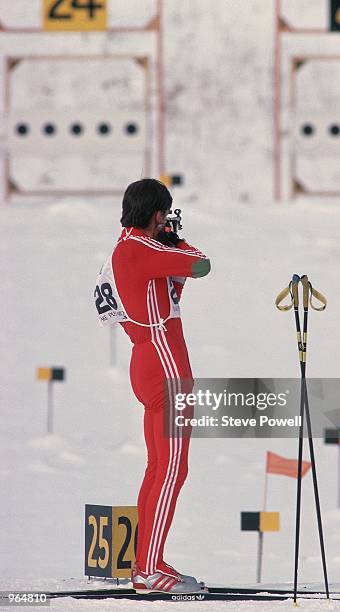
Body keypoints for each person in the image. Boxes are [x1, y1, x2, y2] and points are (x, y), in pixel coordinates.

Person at [95, 178, 210, 594]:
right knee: (173, 470)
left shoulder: (123, 248)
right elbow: (201, 264)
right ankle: (146, 570)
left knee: (158, 468)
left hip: (145, 360)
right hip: (166, 365)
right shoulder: (143, 248)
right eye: (165, 213)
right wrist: (176, 242)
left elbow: (168, 287)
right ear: (155, 214)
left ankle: (148, 560)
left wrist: (166, 242)